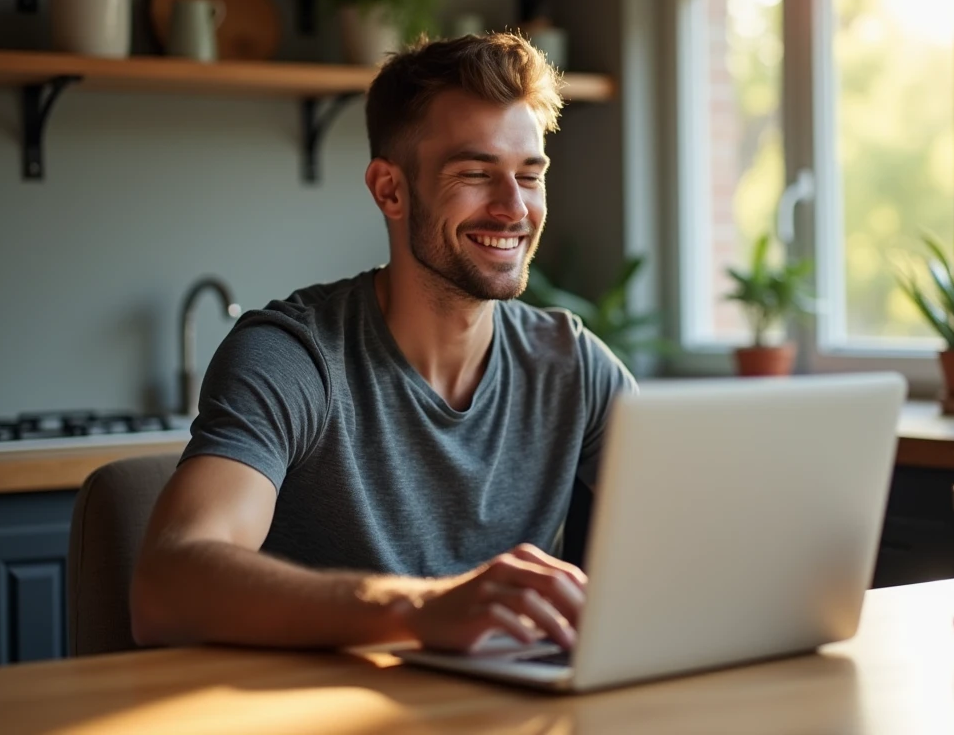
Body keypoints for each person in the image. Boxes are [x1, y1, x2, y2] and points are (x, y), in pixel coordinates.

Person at [130, 33, 636, 655]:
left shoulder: (575, 367)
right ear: (390, 190)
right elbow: (166, 587)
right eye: (476, 174)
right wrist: (419, 610)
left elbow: (689, 545)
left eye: (529, 176)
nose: (513, 209)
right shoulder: (294, 357)